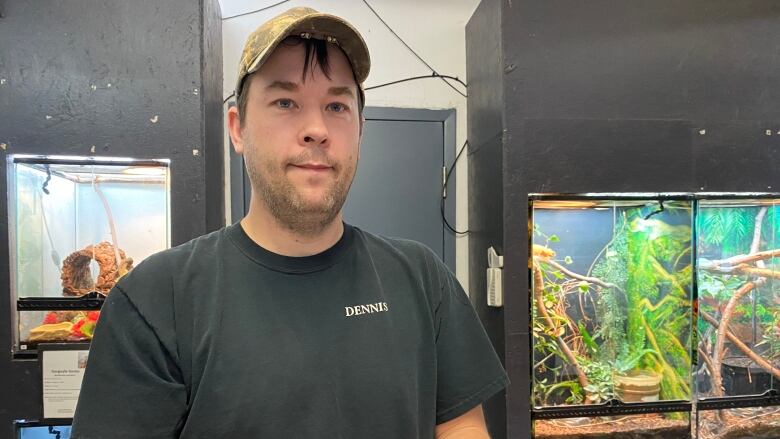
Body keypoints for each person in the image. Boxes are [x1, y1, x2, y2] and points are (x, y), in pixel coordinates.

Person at [71, 6, 508, 439]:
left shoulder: (422, 277)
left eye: (337, 106)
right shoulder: (155, 299)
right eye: (285, 102)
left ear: (360, 131)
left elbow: (461, 425)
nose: (316, 128)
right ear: (238, 128)